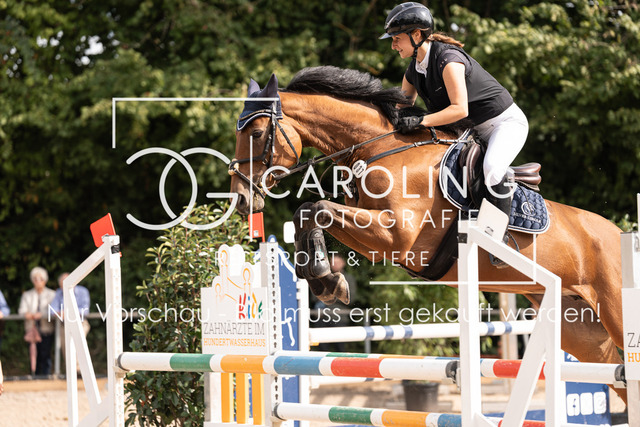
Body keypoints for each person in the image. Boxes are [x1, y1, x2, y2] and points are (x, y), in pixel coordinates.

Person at [380, 2, 528, 265]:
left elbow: (459, 109)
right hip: (471, 131)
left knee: (492, 168)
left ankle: (500, 241)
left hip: (504, 124)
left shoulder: (448, 60)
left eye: (396, 38)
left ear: (416, 35)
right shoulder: (414, 70)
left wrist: (421, 121)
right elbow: (401, 109)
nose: (393, 45)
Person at [18, 266, 56, 376]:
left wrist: (42, 314)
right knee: (33, 353)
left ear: (45, 280)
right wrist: (27, 314)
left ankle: (45, 375)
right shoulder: (27, 295)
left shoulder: (52, 294)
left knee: (45, 353)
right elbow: (21, 310)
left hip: (46, 329)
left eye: (41, 279)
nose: (38, 281)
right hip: (32, 329)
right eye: (35, 279)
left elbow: (54, 310)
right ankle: (35, 375)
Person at [49, 273, 91, 362]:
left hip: (80, 323)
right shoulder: (59, 293)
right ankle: (72, 368)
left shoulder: (83, 291)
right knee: (66, 348)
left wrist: (68, 313)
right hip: (64, 325)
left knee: (79, 344)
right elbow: (52, 309)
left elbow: (85, 310)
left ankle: (79, 368)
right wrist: (59, 313)